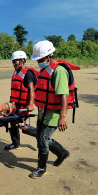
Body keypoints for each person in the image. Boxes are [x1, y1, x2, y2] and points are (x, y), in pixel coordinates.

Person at [29, 40, 79, 178]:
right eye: (37, 59)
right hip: (43, 111)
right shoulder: (45, 69)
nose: (38, 61)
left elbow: (64, 94)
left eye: (41, 58)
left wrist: (63, 116)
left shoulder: (59, 71)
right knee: (41, 138)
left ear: (50, 56)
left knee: (43, 139)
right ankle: (62, 153)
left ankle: (41, 168)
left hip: (55, 112)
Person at [4, 50, 39, 150]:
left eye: (15, 61)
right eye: (13, 61)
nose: (13, 63)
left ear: (22, 60)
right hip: (15, 104)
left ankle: (40, 135)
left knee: (22, 125)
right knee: (12, 121)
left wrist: (31, 104)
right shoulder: (16, 73)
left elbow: (31, 89)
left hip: (24, 105)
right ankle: (15, 144)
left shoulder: (27, 74)